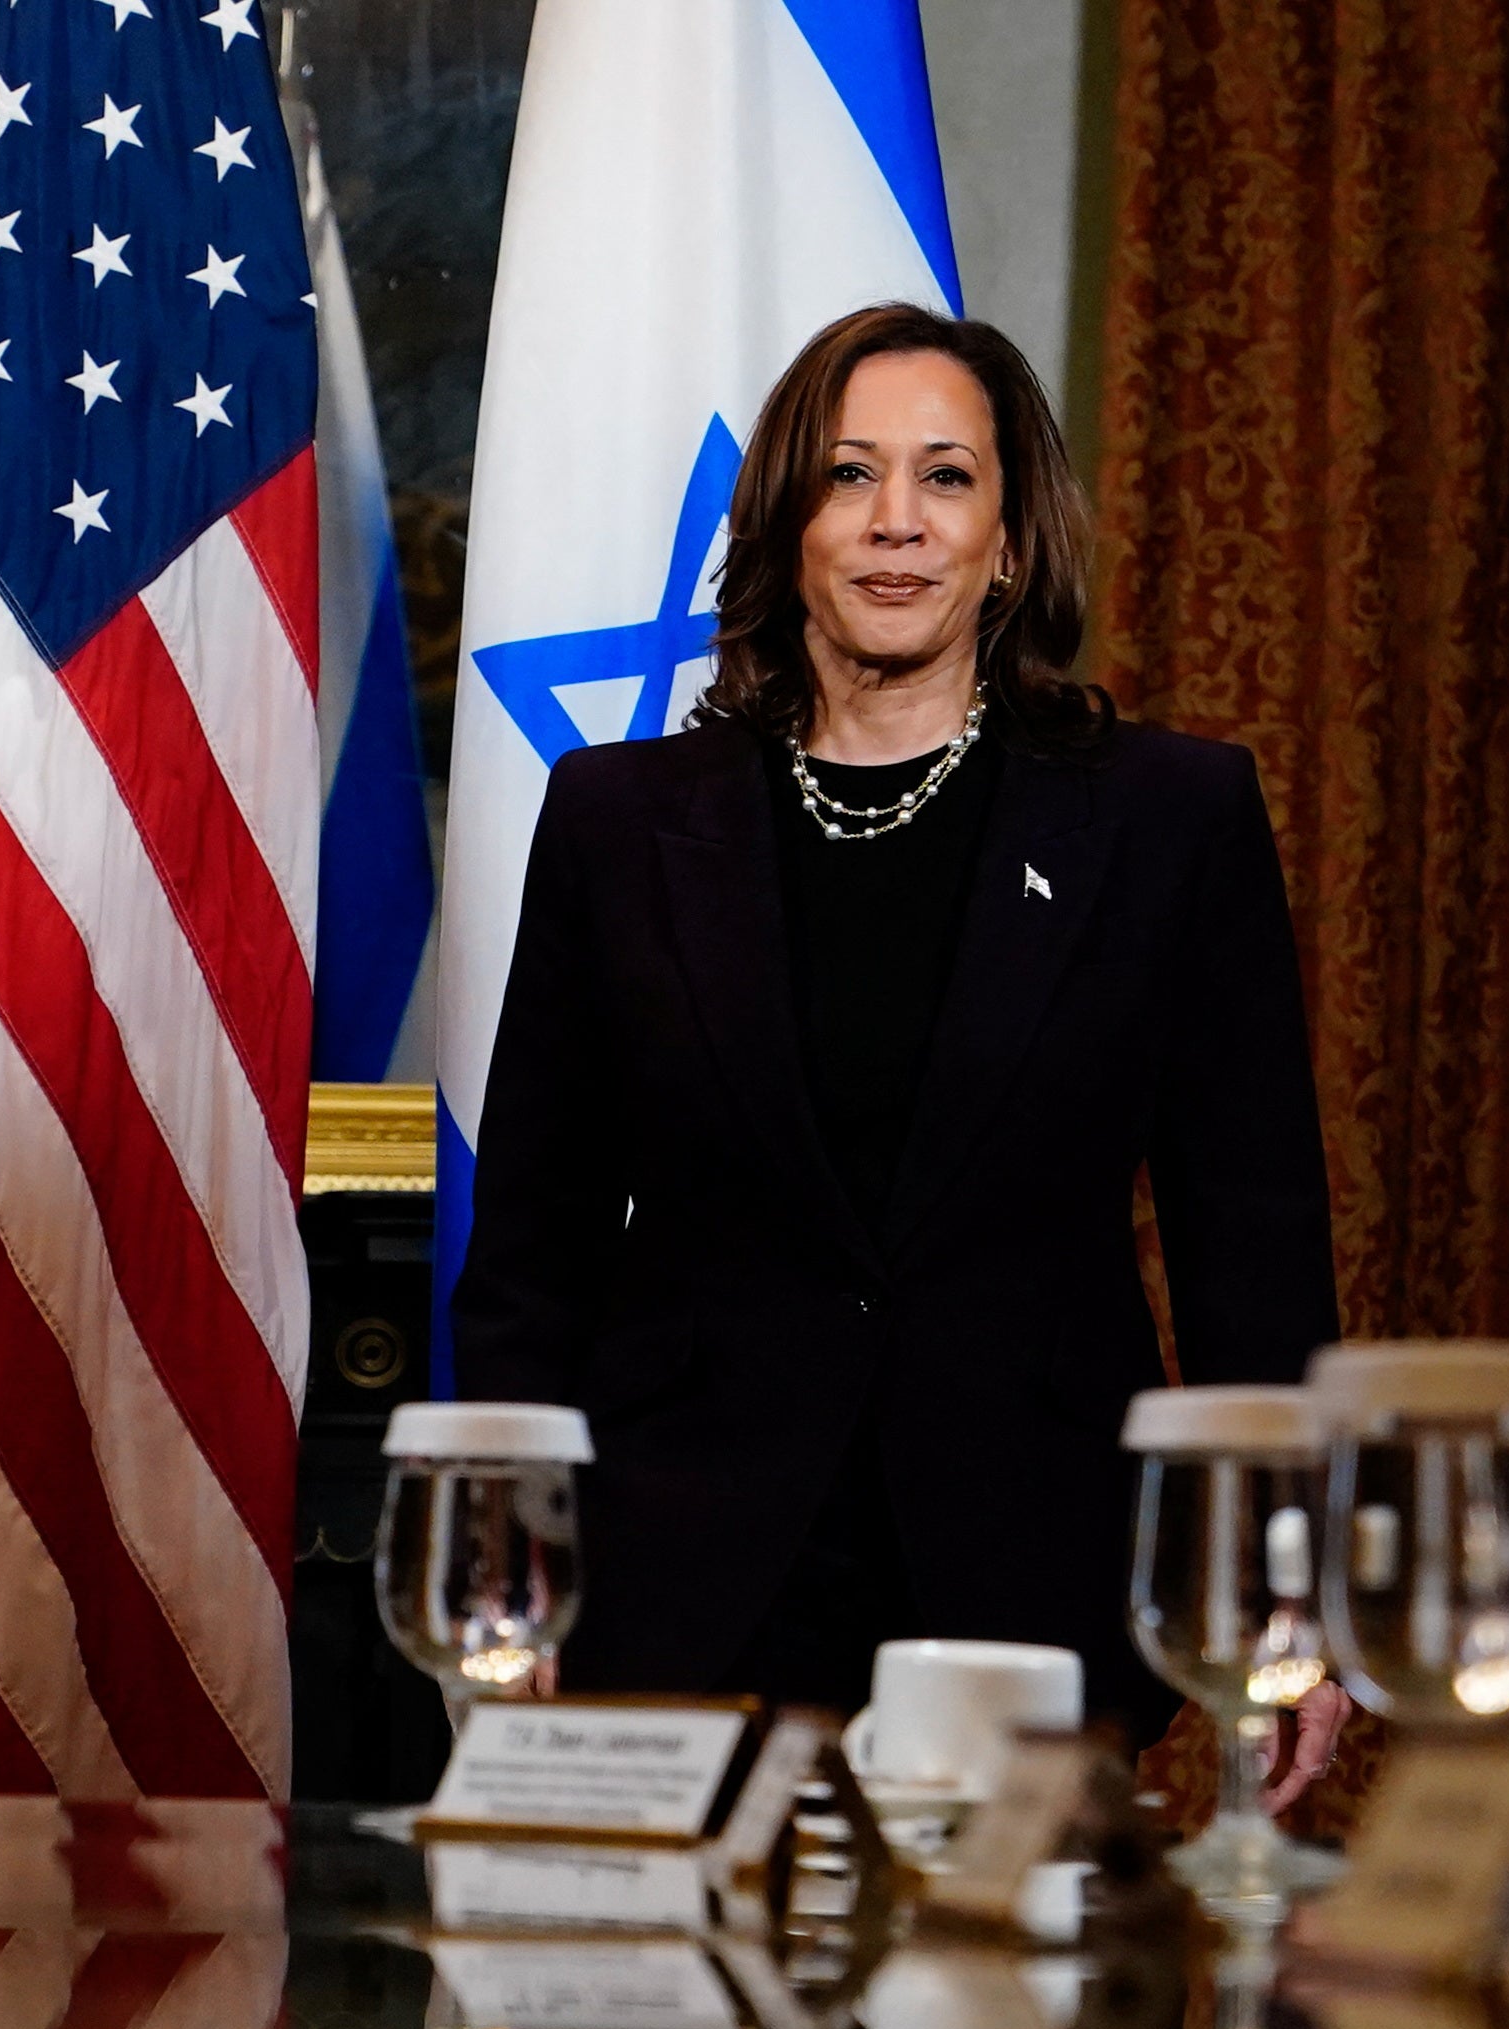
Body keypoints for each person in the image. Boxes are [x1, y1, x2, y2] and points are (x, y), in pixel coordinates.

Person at [452, 303, 1347, 1784]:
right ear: (789, 526)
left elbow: (1248, 1237)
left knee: (1019, 2023)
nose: (895, 524)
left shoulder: (1164, 820)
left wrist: (1290, 1572)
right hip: (676, 1591)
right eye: (849, 476)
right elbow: (534, 1242)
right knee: (675, 2024)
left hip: (1035, 1577)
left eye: (945, 479)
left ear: (1009, 540)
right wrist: (499, 1559)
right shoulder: (623, 823)